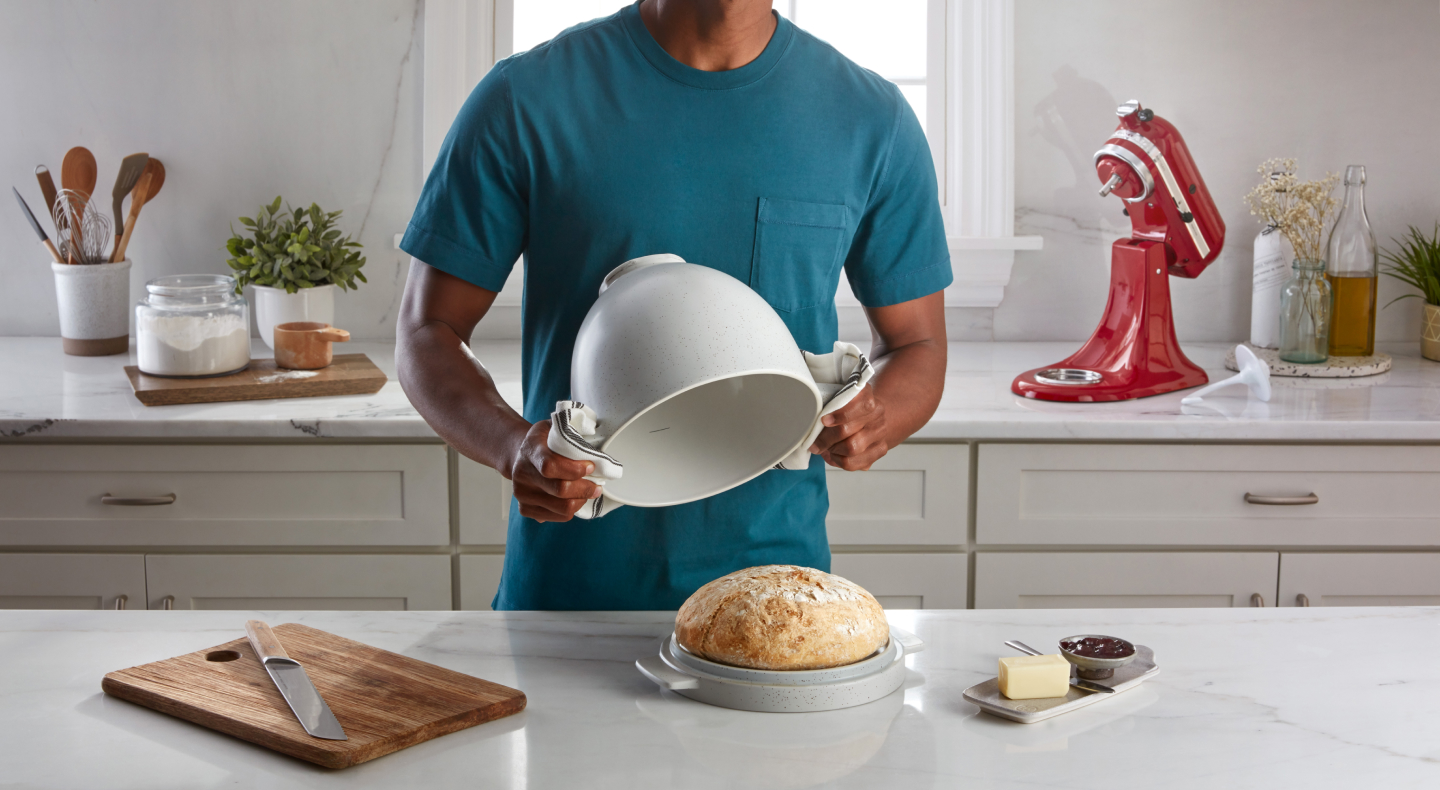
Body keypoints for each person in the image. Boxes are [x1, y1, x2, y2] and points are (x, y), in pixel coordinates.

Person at [396, 0, 950, 610]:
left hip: (776, 599)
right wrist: (513, 446)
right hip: (569, 590)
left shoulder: (871, 118)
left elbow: (917, 344)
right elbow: (428, 328)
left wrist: (876, 416)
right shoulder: (526, 97)